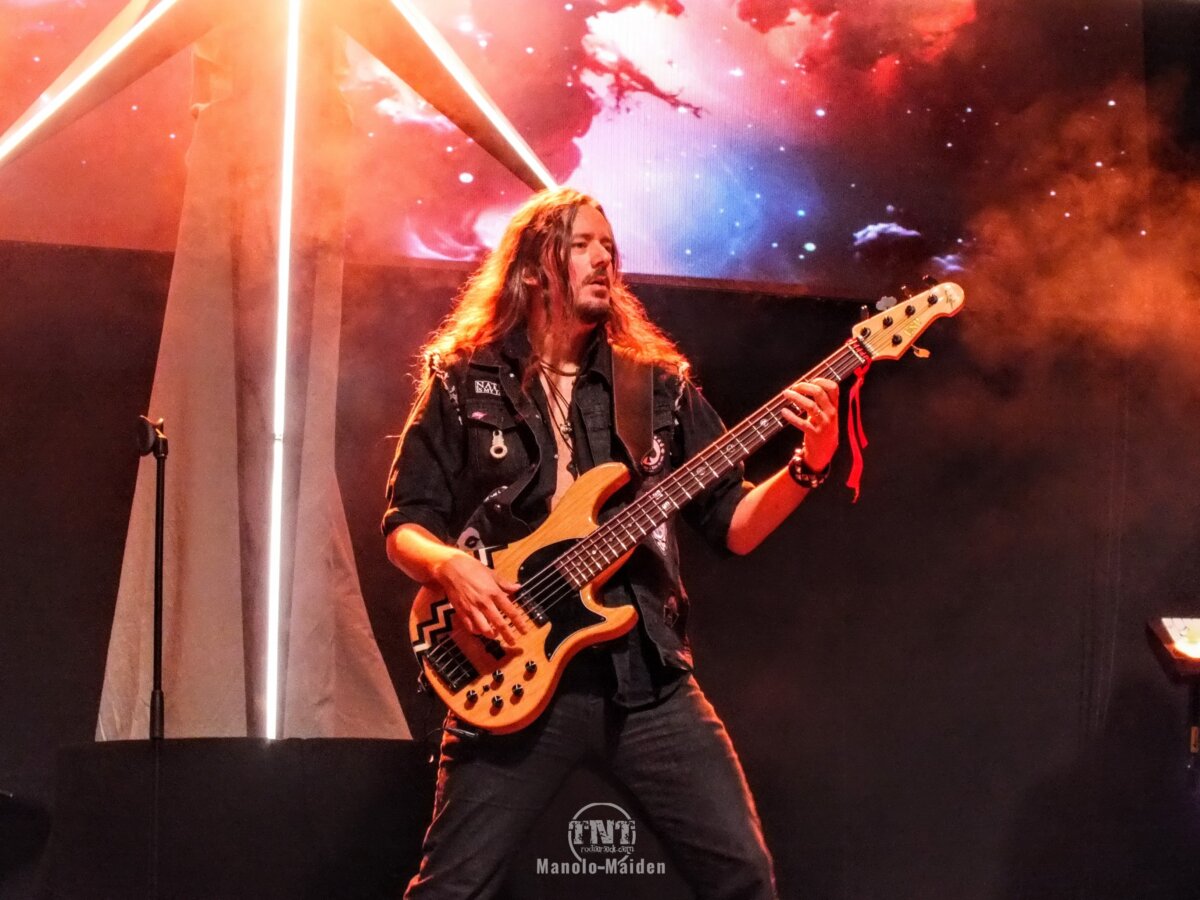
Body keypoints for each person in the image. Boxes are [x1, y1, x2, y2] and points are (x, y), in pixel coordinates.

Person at [383, 187, 839, 898]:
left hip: (644, 677)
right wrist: (451, 569)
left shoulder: (653, 388)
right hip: (511, 668)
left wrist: (808, 466)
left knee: (745, 877)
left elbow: (735, 526)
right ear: (533, 268)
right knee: (451, 889)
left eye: (609, 247)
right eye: (582, 245)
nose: (604, 259)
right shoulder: (464, 379)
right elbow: (405, 525)